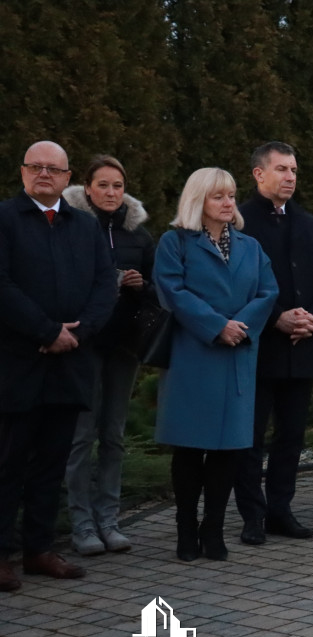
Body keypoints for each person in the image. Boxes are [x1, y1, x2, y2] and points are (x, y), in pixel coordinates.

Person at [0, 141, 117, 592]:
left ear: (68, 179)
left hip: (69, 364)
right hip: (18, 363)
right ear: (22, 173)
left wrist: (78, 334)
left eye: (54, 169)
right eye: (35, 166)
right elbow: (2, 286)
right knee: (8, 463)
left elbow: (104, 285)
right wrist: (47, 331)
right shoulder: (5, 219)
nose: (44, 174)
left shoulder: (84, 226)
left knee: (52, 463)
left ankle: (39, 549)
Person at [154, 168, 278, 561]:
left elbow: (268, 291)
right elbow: (172, 292)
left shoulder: (249, 246)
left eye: (231, 195)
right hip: (194, 357)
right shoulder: (175, 242)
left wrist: (239, 326)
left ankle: (213, 529)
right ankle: (185, 529)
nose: (228, 203)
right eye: (218, 196)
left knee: (228, 450)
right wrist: (215, 326)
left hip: (237, 355)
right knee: (190, 450)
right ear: (198, 200)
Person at [233, 142, 313, 547]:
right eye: (281, 169)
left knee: (291, 436)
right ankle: (252, 515)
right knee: (251, 437)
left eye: (293, 169)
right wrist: (276, 317)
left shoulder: (308, 223)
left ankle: (280, 510)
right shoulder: (240, 221)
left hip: (302, 345)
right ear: (259, 174)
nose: (290, 177)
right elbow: (237, 283)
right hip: (260, 347)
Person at [63, 155, 155, 556]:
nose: (111, 192)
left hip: (124, 345)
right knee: (81, 437)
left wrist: (139, 284)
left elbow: (158, 290)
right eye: (102, 185)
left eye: (117, 185)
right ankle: (81, 524)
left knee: (114, 436)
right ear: (87, 188)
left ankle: (109, 520)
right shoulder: (71, 226)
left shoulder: (139, 234)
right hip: (84, 346)